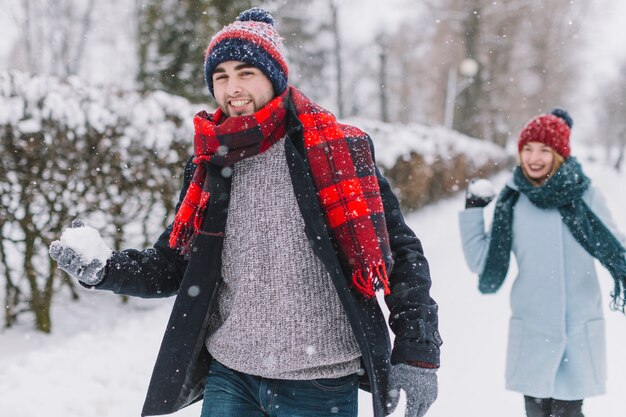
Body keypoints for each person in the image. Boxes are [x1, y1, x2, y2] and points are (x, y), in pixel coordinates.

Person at [49, 8, 442, 417]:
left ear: (274, 76)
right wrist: (105, 270)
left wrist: (417, 353)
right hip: (231, 376)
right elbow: (176, 263)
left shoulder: (334, 151)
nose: (232, 87)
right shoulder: (211, 163)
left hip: (320, 380)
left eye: (245, 73)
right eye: (220, 76)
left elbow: (401, 254)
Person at [459, 108, 626, 417]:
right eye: (528, 149)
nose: (534, 158)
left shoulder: (585, 195)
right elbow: (482, 263)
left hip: (578, 331)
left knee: (569, 413)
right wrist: (472, 212)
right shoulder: (513, 200)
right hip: (533, 332)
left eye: (544, 150)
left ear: (560, 154)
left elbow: (616, 245)